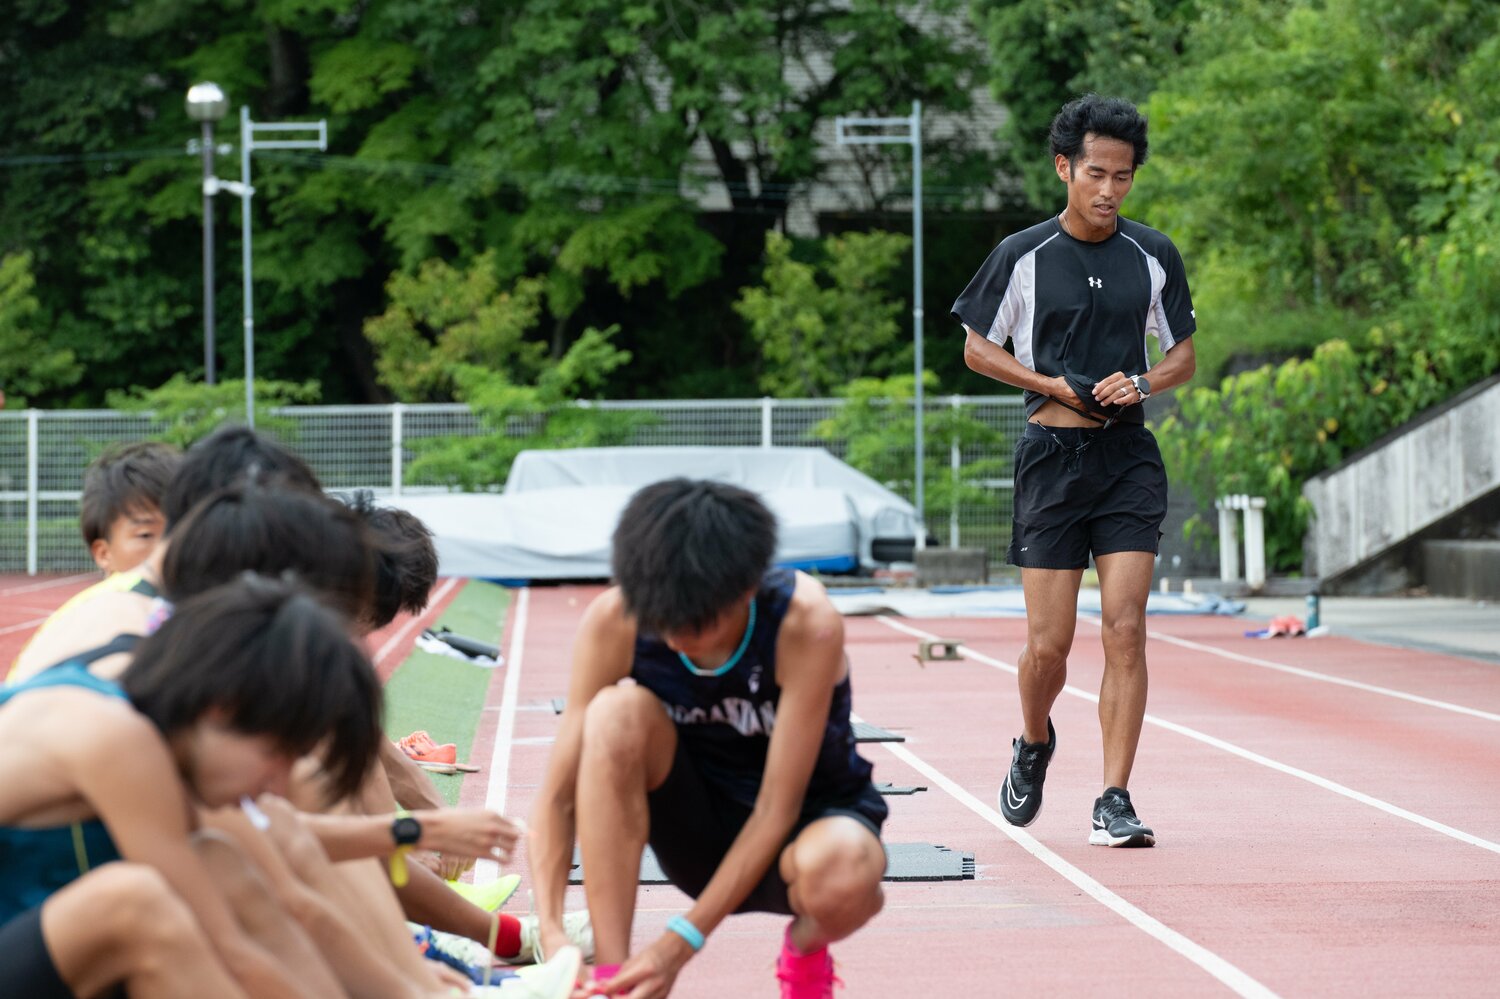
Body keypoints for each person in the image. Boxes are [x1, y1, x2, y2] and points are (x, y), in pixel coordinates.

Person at [529, 478, 888, 999]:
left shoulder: (805, 624)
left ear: (746, 589)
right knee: (613, 713)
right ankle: (614, 981)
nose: (675, 639)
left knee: (850, 876)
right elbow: (558, 796)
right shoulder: (616, 620)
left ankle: (804, 955)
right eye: (663, 622)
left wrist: (679, 943)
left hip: (799, 829)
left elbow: (775, 808)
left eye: (696, 625)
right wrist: (551, 927)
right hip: (693, 830)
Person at [951, 94, 1198, 848]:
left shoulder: (1153, 254)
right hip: (1052, 459)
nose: (1109, 191)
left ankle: (1114, 796)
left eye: (1123, 177)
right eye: (1096, 173)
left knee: (1126, 629)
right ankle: (1033, 740)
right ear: (1064, 167)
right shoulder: (1023, 254)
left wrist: (1146, 381)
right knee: (1048, 649)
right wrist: (1048, 384)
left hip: (1127, 457)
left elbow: (1183, 353)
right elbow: (975, 346)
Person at [0, 575, 385, 998]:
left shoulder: (157, 725)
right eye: (279, 754)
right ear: (222, 709)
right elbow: (233, 953)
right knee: (135, 905)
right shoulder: (115, 736)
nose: (277, 785)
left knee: (218, 859)